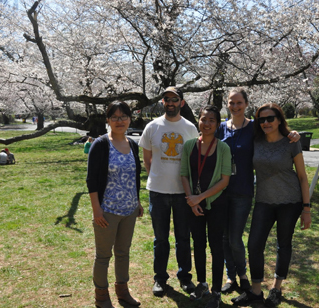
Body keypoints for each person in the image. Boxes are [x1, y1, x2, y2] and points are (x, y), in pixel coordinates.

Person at [217, 88, 300, 294]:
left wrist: (292, 134)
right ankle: (230, 276)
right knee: (224, 238)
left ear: (246, 104)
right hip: (220, 190)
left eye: (239, 102)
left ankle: (244, 276)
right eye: (231, 102)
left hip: (243, 190)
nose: (235, 106)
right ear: (227, 104)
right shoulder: (220, 128)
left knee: (236, 238)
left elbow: (275, 132)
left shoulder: (254, 127)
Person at [231, 103, 311, 307]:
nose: (266, 122)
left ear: (279, 120)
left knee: (283, 245)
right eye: (261, 119)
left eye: (270, 118)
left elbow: (302, 177)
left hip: (290, 201)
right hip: (264, 201)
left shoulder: (291, 142)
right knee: (254, 245)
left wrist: (306, 208)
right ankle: (256, 291)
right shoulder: (255, 140)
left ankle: (276, 288)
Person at [138, 86, 198, 297]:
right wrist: (156, 176)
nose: (170, 103)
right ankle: (160, 279)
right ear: (162, 102)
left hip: (183, 192)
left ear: (181, 102)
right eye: (166, 99)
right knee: (160, 238)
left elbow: (193, 158)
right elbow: (147, 158)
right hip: (158, 191)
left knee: (183, 237)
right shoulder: (152, 127)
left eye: (174, 99)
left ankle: (185, 278)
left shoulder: (190, 128)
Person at [86, 101, 144, 308]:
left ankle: (123, 291)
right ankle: (101, 297)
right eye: (115, 117)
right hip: (107, 211)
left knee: (123, 253)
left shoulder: (133, 145)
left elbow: (135, 176)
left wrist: (137, 202)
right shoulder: (100, 145)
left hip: (129, 210)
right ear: (108, 120)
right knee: (103, 255)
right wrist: (97, 211)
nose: (120, 121)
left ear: (130, 119)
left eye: (124, 117)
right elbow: (92, 180)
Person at [181, 105, 232, 308]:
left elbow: (225, 180)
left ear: (217, 124)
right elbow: (184, 174)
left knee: (216, 247)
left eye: (212, 120)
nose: (207, 123)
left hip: (216, 204)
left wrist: (200, 197)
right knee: (199, 245)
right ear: (198, 122)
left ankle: (217, 291)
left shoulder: (223, 148)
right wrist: (191, 199)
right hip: (194, 205)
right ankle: (202, 283)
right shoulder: (189, 146)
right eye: (204, 119)